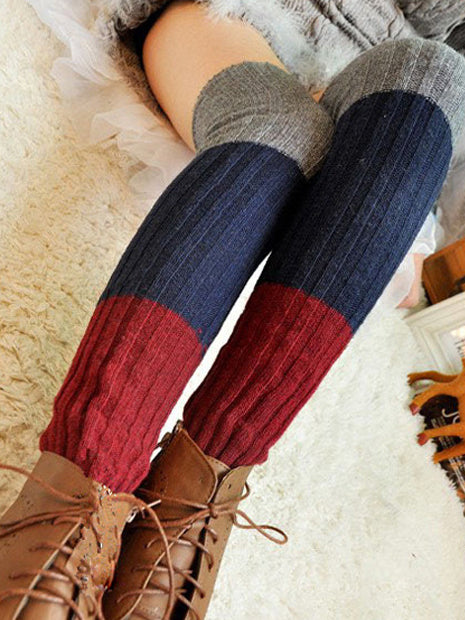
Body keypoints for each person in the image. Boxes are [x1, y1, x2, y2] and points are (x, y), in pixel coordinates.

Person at [1, 0, 465, 618]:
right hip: (242, 16)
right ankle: (72, 495)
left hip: (375, 72)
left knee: (438, 76)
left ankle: (193, 495)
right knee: (284, 131)